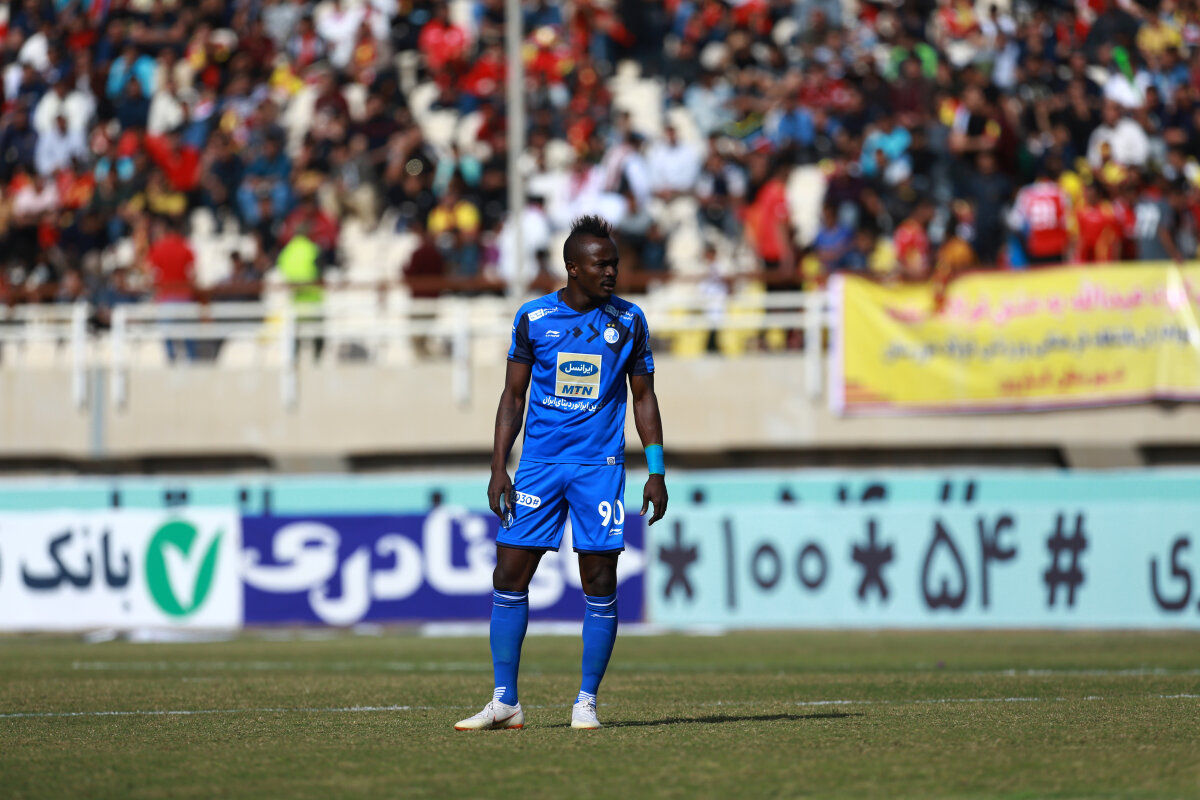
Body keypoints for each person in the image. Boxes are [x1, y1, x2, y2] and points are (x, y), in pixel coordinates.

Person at [455, 215, 668, 732]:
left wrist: (656, 470)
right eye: (601, 264)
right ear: (573, 268)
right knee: (509, 573)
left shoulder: (630, 320)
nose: (612, 272)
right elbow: (513, 397)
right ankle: (505, 701)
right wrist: (498, 467)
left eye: (615, 263)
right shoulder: (533, 318)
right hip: (538, 467)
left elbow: (644, 398)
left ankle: (586, 702)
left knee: (599, 578)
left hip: (599, 469)